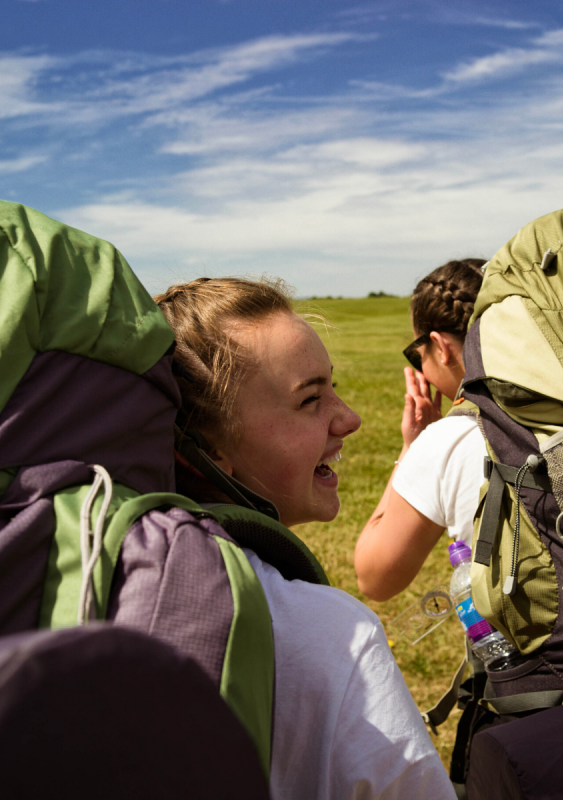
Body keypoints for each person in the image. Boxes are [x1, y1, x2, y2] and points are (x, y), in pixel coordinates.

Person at [155, 277, 456, 800]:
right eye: (311, 399)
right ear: (208, 444)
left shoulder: (105, 578)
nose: (351, 417)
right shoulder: (331, 637)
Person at [354, 260, 487, 602]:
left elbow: (374, 577)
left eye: (418, 355)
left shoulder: (449, 440)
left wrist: (411, 447)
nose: (421, 372)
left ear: (441, 348)